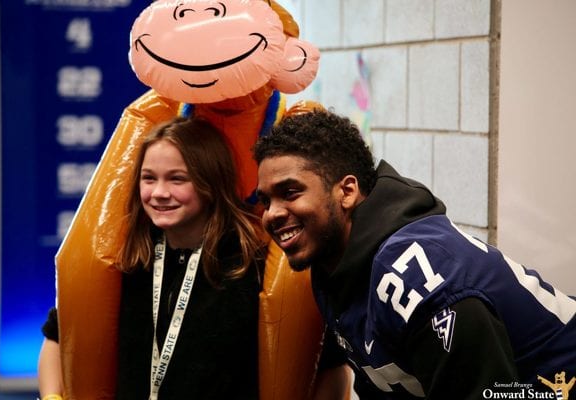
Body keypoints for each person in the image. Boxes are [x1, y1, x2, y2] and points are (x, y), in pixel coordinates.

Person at [253, 109, 576, 399]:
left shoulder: (420, 280)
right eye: (266, 201)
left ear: (347, 192)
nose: (271, 214)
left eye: (290, 192)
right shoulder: (332, 266)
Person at [39, 116, 265, 399]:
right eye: (149, 178)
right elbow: (58, 336)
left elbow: (309, 362)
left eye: (177, 179)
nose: (159, 193)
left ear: (211, 181)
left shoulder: (249, 265)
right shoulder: (124, 259)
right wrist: (52, 396)